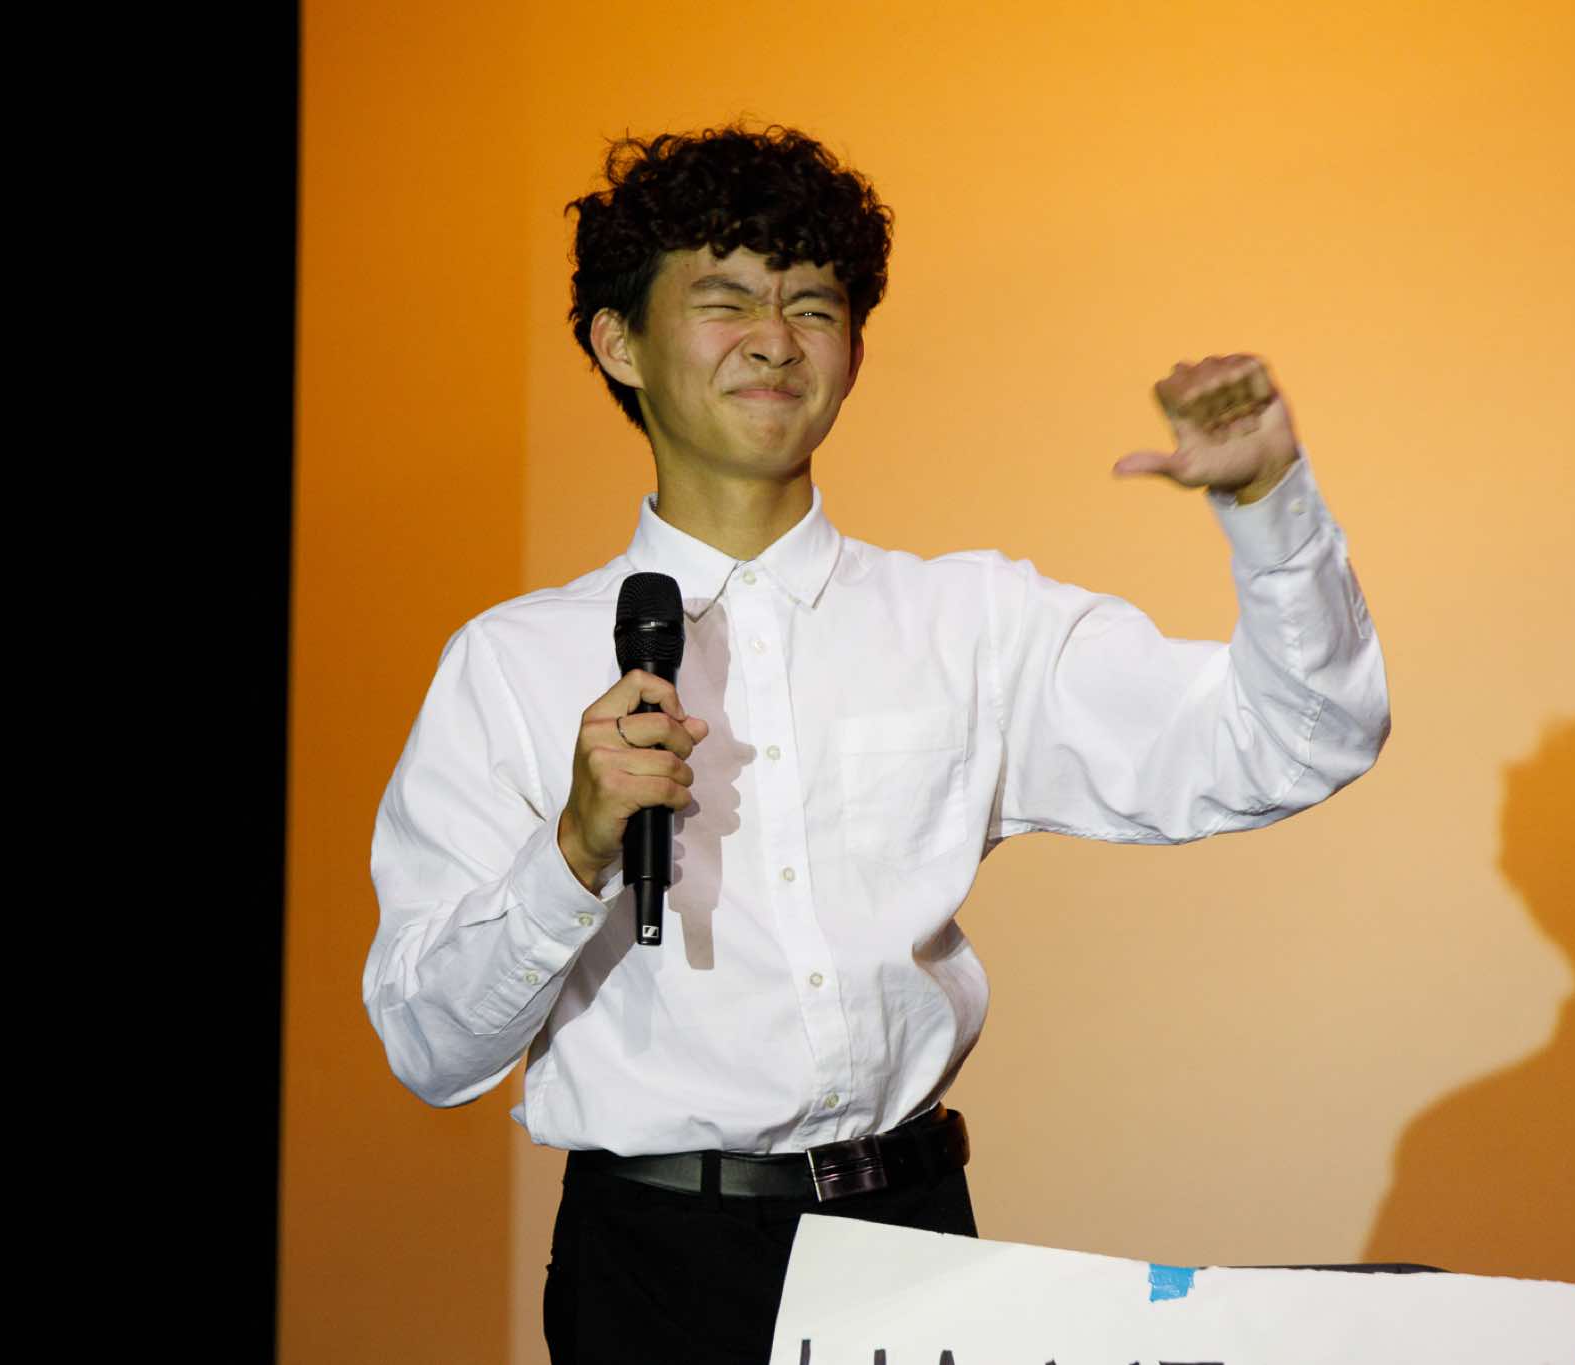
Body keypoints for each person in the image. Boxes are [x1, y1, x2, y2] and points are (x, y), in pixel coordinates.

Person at [363, 123, 1389, 1363]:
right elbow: (428, 1048)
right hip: (654, 1267)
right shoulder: (509, 663)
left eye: (812, 305)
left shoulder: (969, 622)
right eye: (725, 300)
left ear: (852, 351)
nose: (774, 339)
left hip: (908, 1240)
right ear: (617, 342)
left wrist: (1268, 505)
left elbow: (1295, 741)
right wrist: (573, 850)